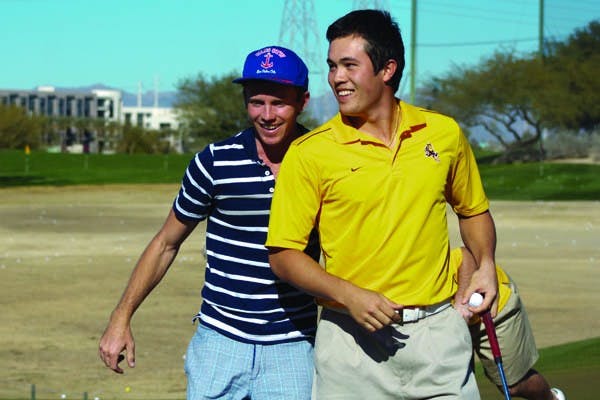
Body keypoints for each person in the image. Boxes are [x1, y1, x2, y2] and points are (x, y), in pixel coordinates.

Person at [266, 9, 497, 400]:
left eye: (349, 65)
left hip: (437, 337)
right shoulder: (309, 153)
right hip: (350, 346)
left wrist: (486, 265)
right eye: (332, 66)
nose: (336, 77)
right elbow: (283, 254)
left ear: (387, 69)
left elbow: (473, 211)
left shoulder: (443, 134)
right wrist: (348, 295)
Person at [98, 45, 320, 400]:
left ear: (302, 101)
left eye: (278, 102)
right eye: (256, 102)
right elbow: (165, 243)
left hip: (292, 348)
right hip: (219, 342)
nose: (266, 114)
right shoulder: (214, 162)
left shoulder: (322, 161)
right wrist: (120, 318)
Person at [452, 247, 567, 400]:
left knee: (513, 385)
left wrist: (462, 303)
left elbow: (466, 256)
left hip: (492, 306)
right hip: (447, 323)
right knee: (452, 387)